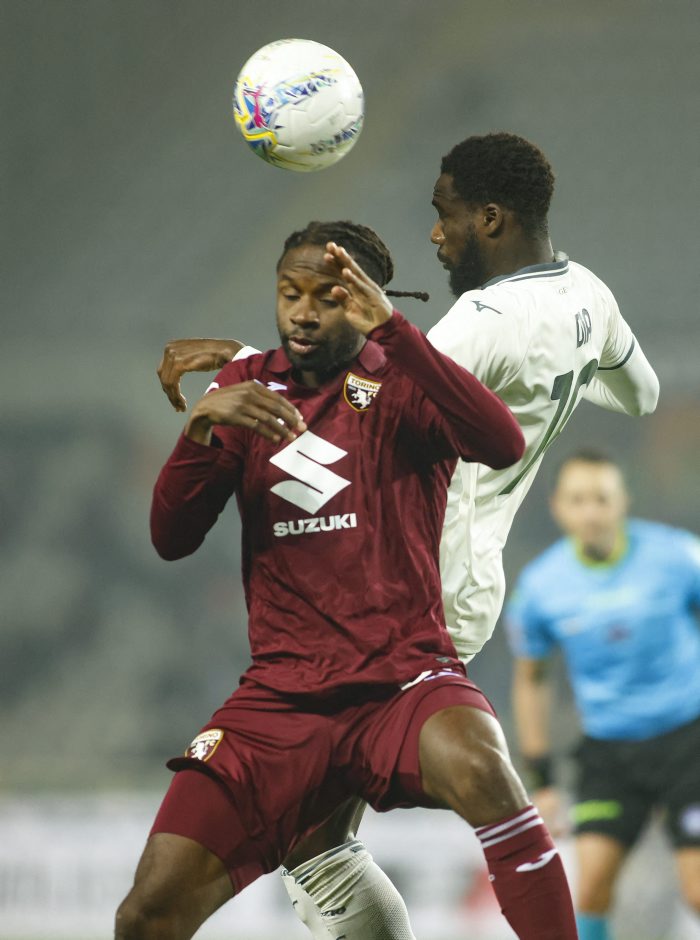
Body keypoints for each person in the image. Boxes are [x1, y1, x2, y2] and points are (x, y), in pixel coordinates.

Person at [155, 133, 660, 940]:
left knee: (321, 845)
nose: (435, 233)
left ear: (488, 218)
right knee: (323, 836)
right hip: (470, 580)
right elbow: (642, 395)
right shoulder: (587, 296)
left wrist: (256, 361)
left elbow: (360, 387)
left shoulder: (482, 322)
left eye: (444, 214)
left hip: (402, 582)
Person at [507, 451, 700, 940]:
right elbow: (532, 680)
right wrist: (542, 778)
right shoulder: (541, 588)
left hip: (689, 742)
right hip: (609, 753)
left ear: (623, 501)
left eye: (601, 498)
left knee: (698, 891)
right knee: (590, 889)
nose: (590, 512)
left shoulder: (679, 557)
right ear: (557, 506)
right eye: (578, 500)